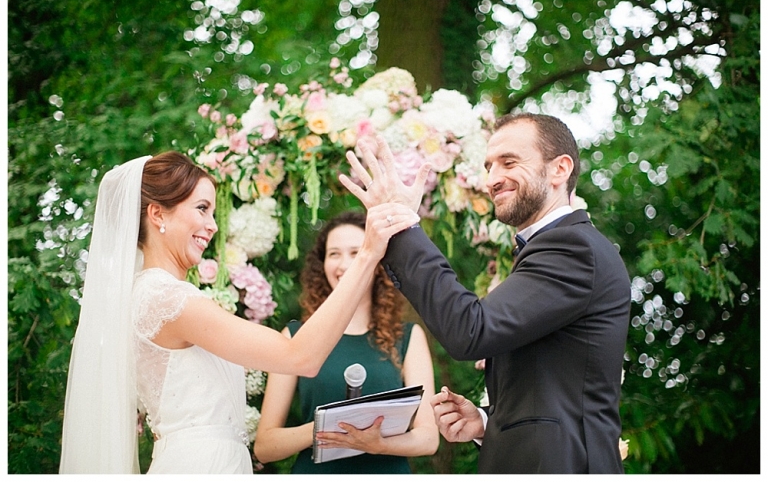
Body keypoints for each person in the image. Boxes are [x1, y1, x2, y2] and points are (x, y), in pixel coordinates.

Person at [59, 151, 419, 474]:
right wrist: (369, 253)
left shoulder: (158, 294)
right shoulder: (164, 298)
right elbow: (301, 357)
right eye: (201, 208)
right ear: (158, 215)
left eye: (213, 212)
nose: (213, 225)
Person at [339, 113, 631, 474]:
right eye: (489, 166)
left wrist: (400, 225)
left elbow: (471, 330)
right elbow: (552, 389)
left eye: (509, 162)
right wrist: (487, 420)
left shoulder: (573, 247)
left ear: (560, 170)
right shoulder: (552, 249)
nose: (492, 179)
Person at [253, 211, 439, 473]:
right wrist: (322, 427)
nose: (344, 264)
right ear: (323, 265)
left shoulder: (409, 337)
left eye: (357, 252)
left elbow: (429, 439)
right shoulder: (295, 336)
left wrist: (379, 444)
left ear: (376, 263)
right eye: (334, 254)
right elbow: (264, 446)